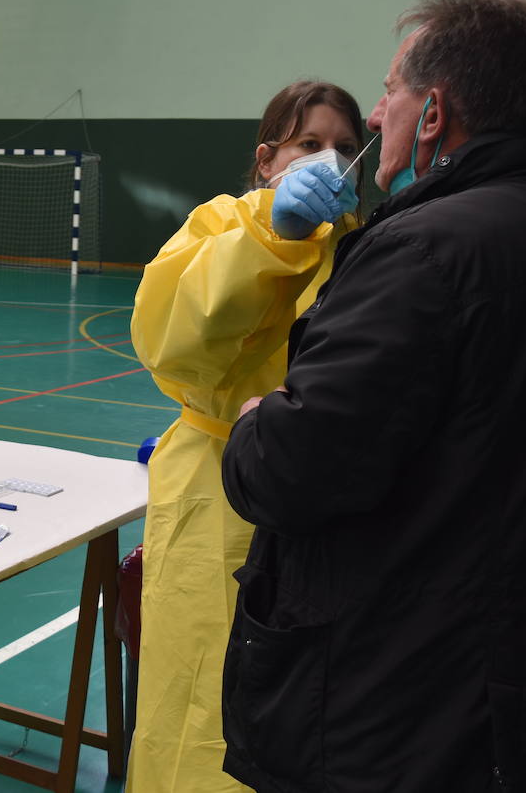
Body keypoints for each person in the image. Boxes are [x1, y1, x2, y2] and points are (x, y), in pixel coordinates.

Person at [221, 0, 526, 791]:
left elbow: (295, 470)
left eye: (389, 94)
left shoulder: (422, 252)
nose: (373, 118)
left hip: (407, 705)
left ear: (431, 115)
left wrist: (259, 423)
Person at [125, 80, 367, 793]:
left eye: (347, 149)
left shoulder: (361, 248)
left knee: (303, 699)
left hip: (321, 500)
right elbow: (173, 341)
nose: (331, 161)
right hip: (216, 491)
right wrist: (273, 237)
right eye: (309, 145)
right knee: (201, 692)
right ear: (267, 160)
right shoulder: (220, 225)